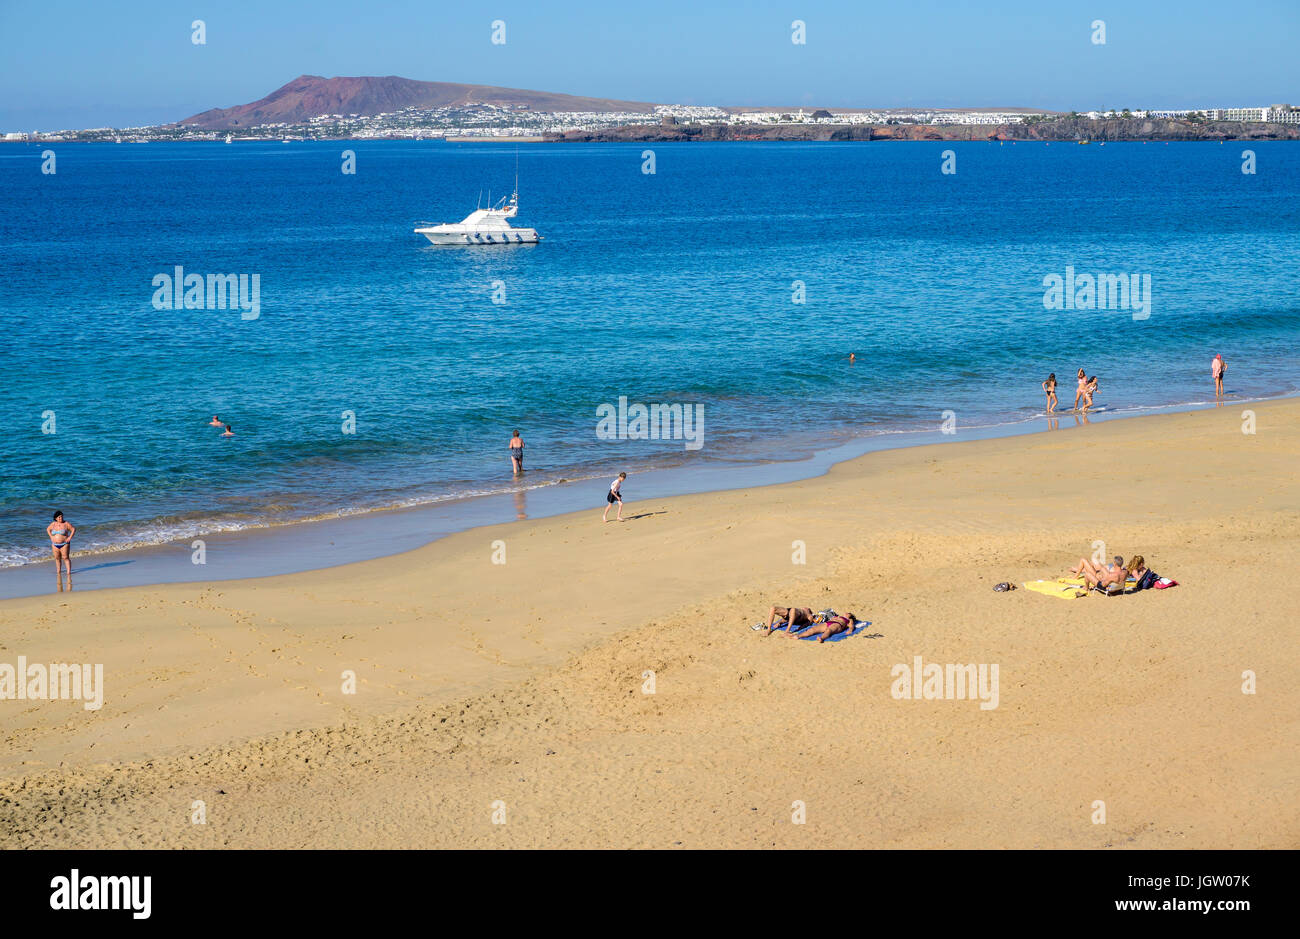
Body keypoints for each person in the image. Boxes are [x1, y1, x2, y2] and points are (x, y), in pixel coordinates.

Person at [47, 510, 75, 578]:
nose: (61, 518)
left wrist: (70, 537)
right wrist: (51, 537)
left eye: (61, 517)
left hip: (64, 544)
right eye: (59, 517)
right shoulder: (53, 524)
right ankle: (58, 571)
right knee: (57, 558)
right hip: (55, 544)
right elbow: (48, 529)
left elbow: (73, 529)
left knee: (65, 557)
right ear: (56, 518)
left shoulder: (66, 524)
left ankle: (68, 573)